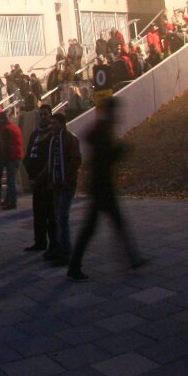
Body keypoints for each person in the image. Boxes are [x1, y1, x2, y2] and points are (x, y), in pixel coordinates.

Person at [67, 98, 146, 281]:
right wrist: (120, 151)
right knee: (94, 228)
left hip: (102, 186)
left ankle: (133, 259)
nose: (118, 115)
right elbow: (105, 158)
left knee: (112, 225)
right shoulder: (103, 129)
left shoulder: (102, 128)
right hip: (102, 187)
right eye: (115, 110)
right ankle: (74, 266)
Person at [37, 112, 81, 267]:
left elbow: (75, 161)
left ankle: (66, 253)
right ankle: (59, 248)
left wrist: (66, 180)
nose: (52, 126)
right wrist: (41, 178)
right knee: (57, 219)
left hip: (66, 185)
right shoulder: (53, 141)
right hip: (56, 184)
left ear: (62, 124)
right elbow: (51, 163)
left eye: (55, 123)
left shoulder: (70, 139)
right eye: (51, 123)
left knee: (62, 219)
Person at [22, 104, 57, 253]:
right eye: (41, 115)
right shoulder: (35, 133)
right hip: (35, 180)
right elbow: (29, 154)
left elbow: (51, 159)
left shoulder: (52, 134)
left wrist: (41, 176)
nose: (43, 117)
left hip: (47, 180)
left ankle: (54, 245)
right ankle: (40, 241)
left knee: (51, 214)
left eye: (46, 114)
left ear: (50, 116)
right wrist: (30, 176)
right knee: (38, 213)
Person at [0, 112, 23, 209]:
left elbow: (5, 146)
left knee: (11, 181)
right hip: (18, 156)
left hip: (11, 157)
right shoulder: (15, 127)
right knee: (12, 179)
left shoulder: (5, 130)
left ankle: (12, 202)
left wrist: (3, 158)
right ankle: (7, 200)